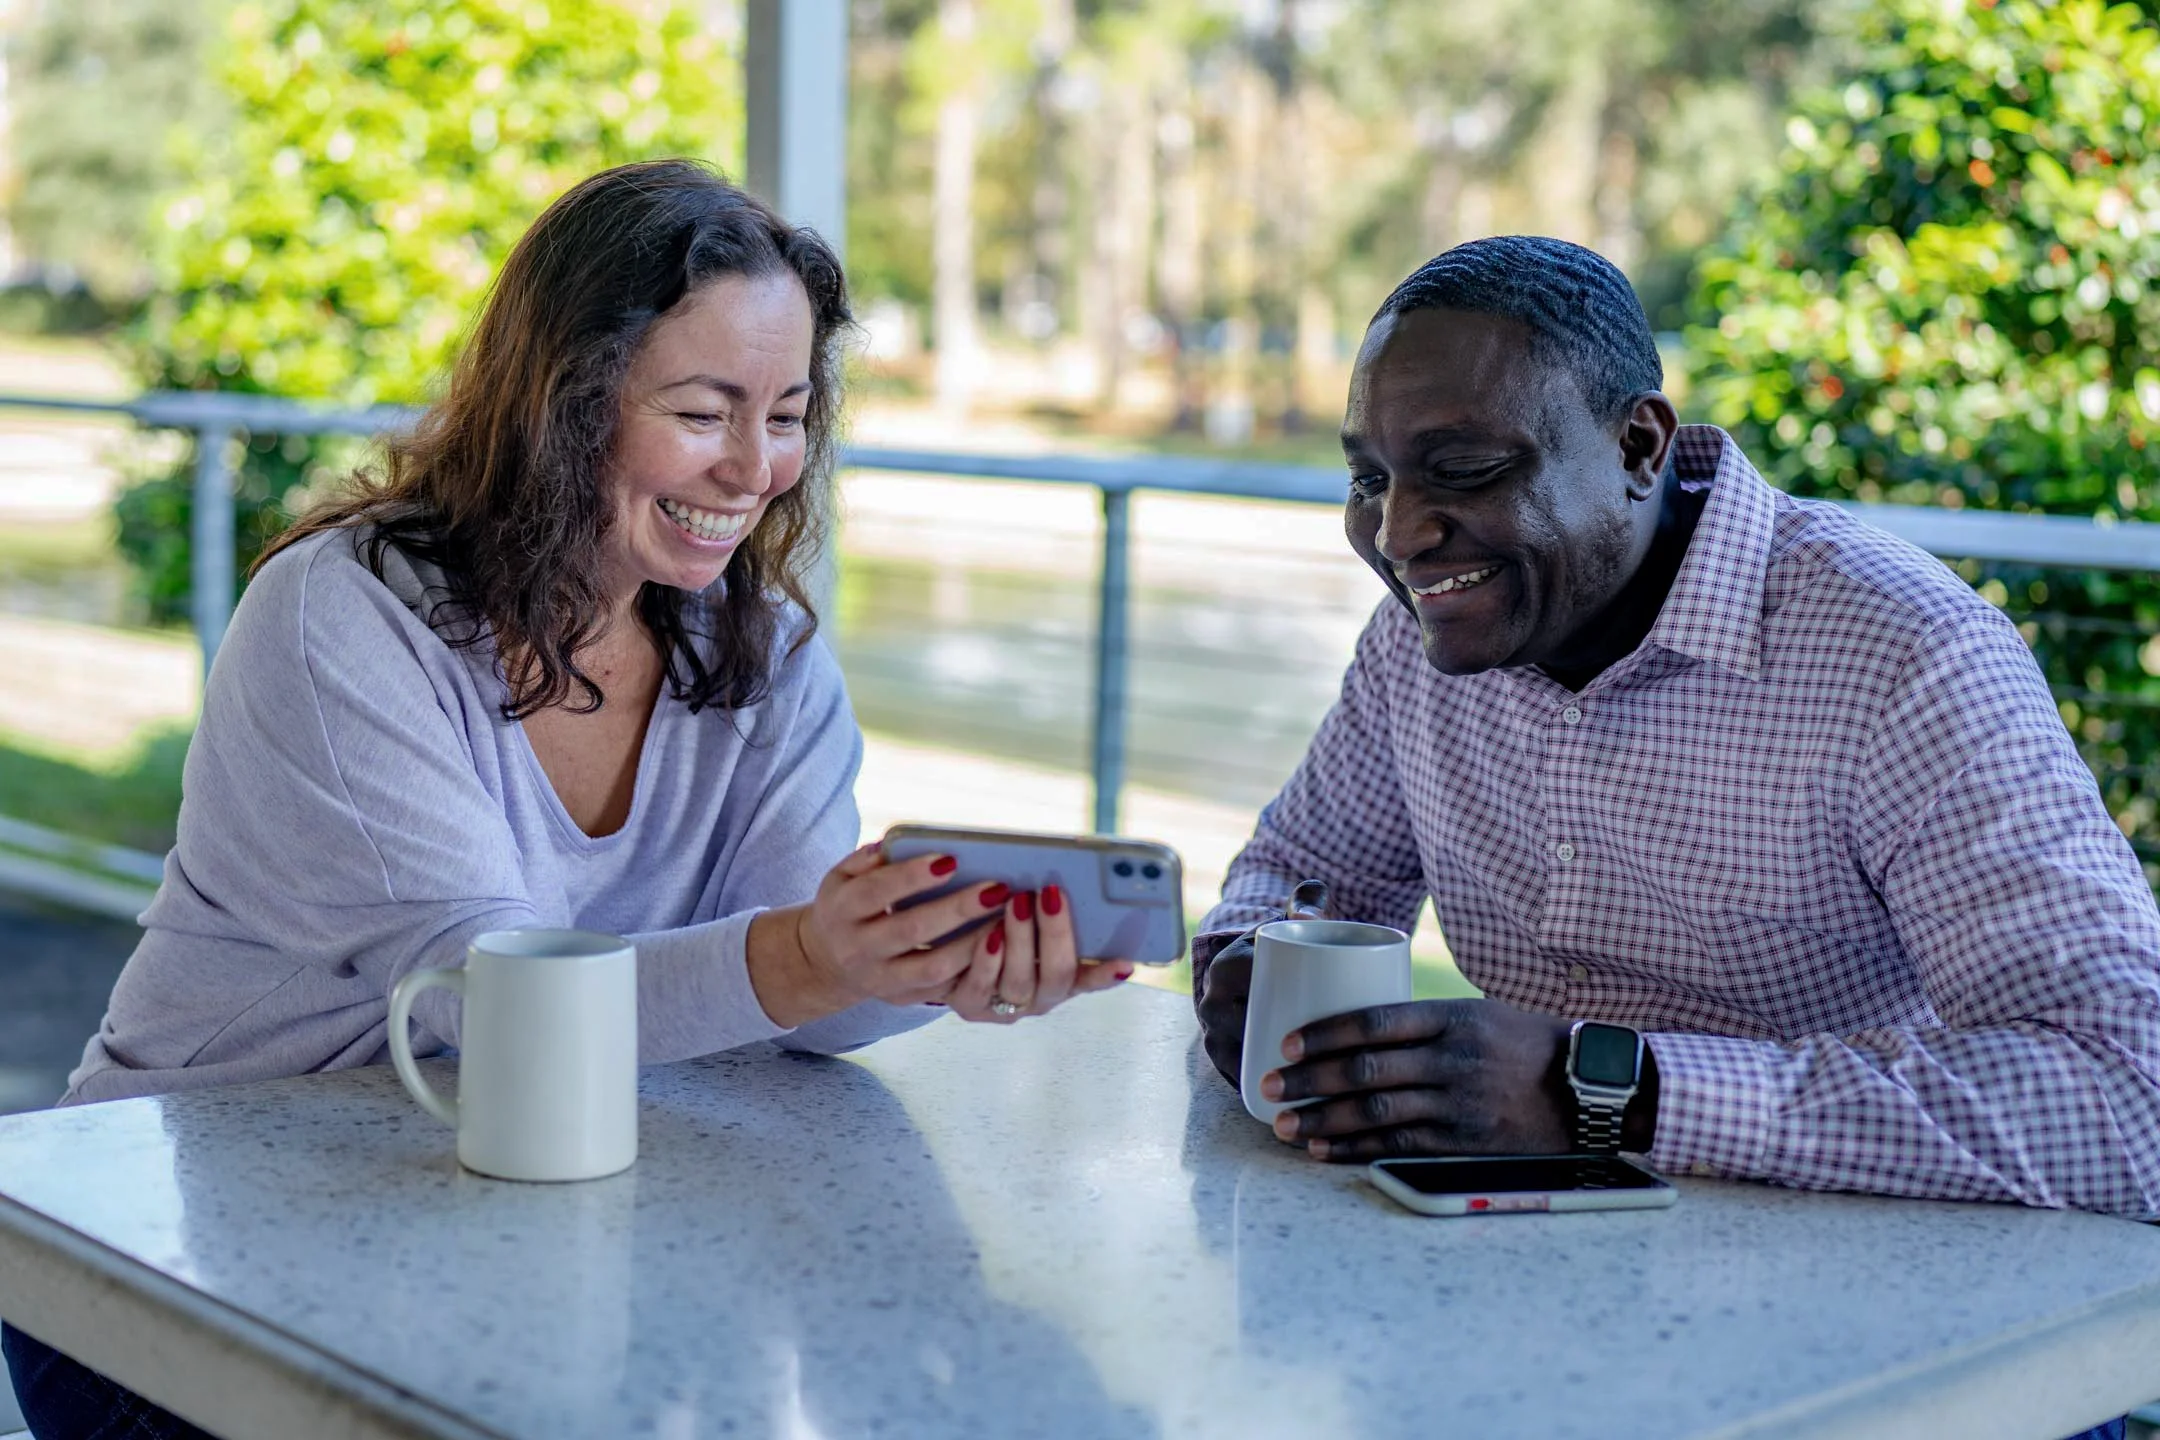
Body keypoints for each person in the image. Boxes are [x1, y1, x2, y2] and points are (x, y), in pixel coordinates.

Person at [6, 159, 1125, 1438]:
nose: (756, 469)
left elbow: (795, 1007)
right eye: (705, 412)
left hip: (520, 1234)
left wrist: (910, 964)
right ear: (564, 403)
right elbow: (497, 1003)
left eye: (788, 412)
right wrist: (806, 956)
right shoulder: (343, 618)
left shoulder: (768, 657)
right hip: (157, 1263)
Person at [1192, 236, 2160, 1232]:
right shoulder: (1424, 636)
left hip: (1874, 1306)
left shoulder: (1901, 654)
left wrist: (1606, 1090)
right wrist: (1248, 963)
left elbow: (2134, 1100)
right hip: (1530, 1281)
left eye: (1465, 469)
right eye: (1368, 480)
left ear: (1638, 449)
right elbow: (1308, 872)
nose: (1397, 536)